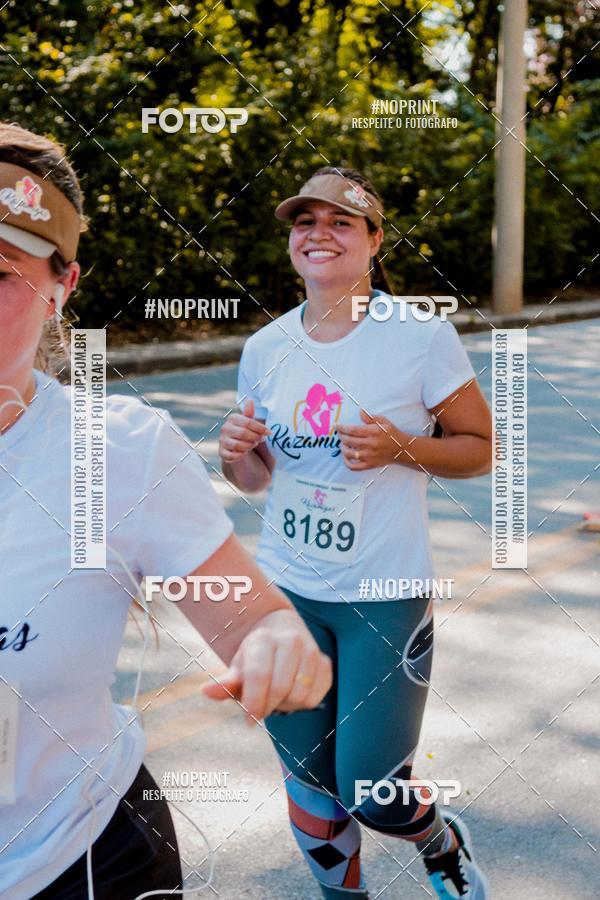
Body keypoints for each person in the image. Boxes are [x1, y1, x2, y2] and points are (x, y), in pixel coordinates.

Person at [0, 123, 332, 900]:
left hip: (75, 861)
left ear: (62, 289)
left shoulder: (115, 453)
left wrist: (280, 642)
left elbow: (251, 618)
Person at [219, 168, 493, 899]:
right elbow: (257, 480)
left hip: (383, 593)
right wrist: (235, 454)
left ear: (373, 241)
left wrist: (402, 447)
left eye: (341, 222)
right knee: (311, 787)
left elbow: (480, 446)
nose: (319, 233)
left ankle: (440, 840)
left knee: (372, 791)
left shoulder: (420, 336)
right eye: (304, 221)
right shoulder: (266, 346)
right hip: (286, 598)